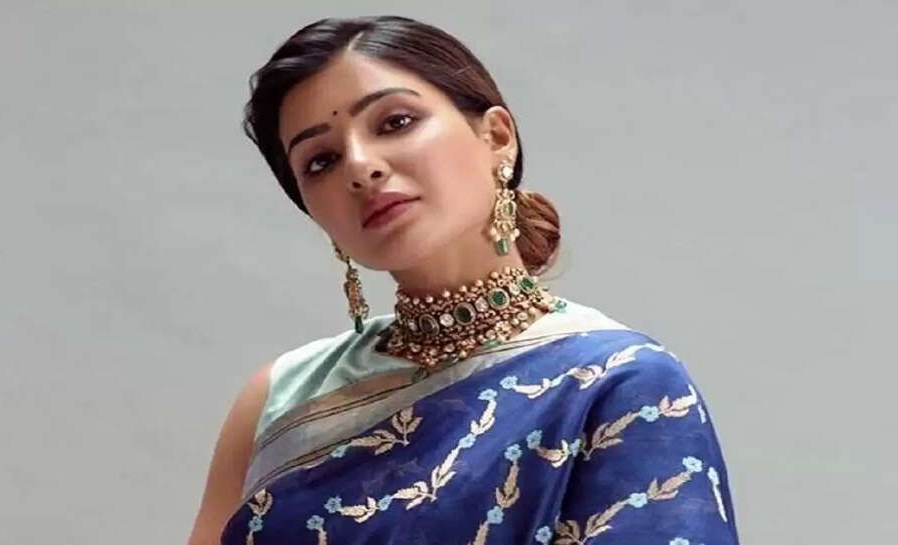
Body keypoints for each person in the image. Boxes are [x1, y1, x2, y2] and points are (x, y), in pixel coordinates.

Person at [188, 15, 739, 545]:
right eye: (320, 161)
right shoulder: (280, 399)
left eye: (395, 123)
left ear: (497, 136)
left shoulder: (618, 383)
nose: (359, 166)